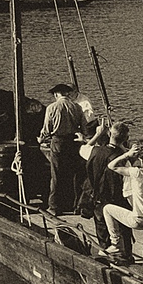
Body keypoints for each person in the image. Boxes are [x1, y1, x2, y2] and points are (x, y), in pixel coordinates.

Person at [102, 140, 143, 267]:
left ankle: (116, 244)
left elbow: (112, 166)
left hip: (139, 219)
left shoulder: (137, 173)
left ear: (142, 160)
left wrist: (127, 154)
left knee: (107, 209)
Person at [39, 83, 85, 215]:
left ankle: (54, 207)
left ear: (56, 94)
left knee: (56, 175)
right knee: (75, 175)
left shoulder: (52, 108)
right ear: (68, 94)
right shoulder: (77, 107)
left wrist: (40, 139)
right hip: (74, 142)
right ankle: (76, 206)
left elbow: (47, 130)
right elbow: (84, 128)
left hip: (58, 142)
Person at [84, 120, 128, 253]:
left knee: (102, 231)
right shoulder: (124, 158)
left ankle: (105, 254)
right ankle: (125, 255)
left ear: (109, 134)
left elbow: (84, 148)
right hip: (117, 199)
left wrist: (98, 134)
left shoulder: (94, 151)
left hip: (98, 198)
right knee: (122, 230)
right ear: (126, 139)